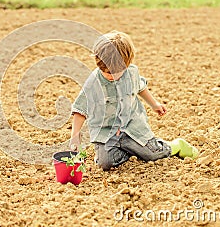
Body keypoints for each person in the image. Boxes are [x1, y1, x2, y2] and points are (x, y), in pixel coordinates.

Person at [69, 31, 199, 171]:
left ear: (127, 64)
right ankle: (130, 150)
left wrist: (154, 104)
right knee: (105, 164)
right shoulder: (93, 83)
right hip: (106, 132)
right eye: (106, 72)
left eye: (116, 72)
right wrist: (75, 136)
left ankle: (176, 145)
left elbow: (140, 87)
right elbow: (81, 110)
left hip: (132, 127)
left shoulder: (131, 72)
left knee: (152, 154)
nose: (111, 76)